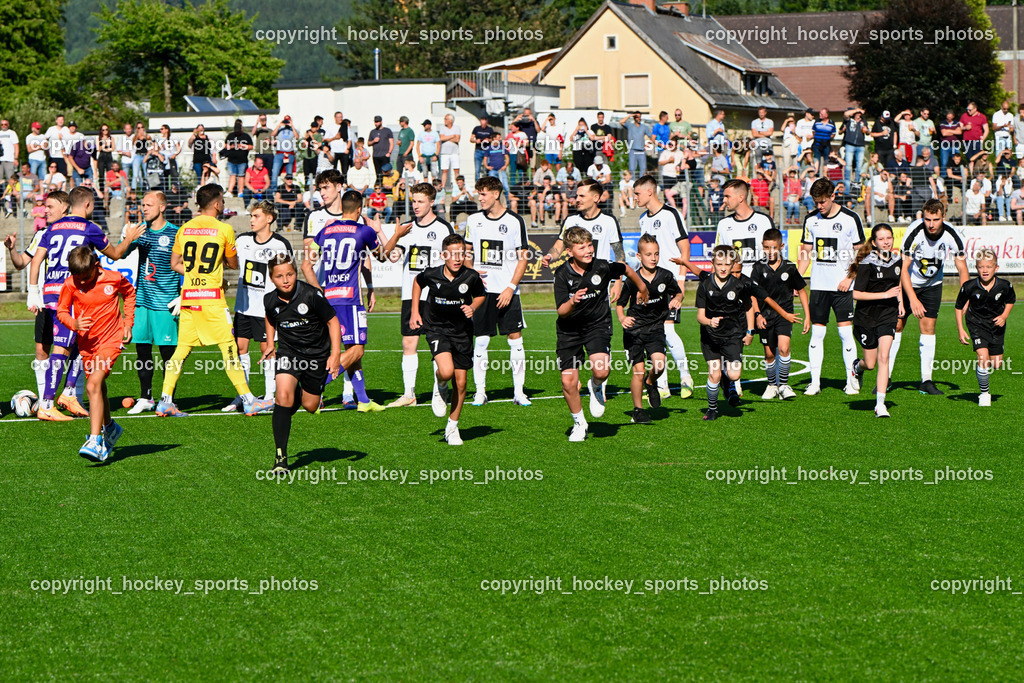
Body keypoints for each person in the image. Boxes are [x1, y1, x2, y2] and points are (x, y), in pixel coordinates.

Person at [155, 184, 275, 418]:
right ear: (217, 203)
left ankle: (165, 400)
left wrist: (194, 275)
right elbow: (233, 264)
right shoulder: (224, 229)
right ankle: (249, 400)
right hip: (211, 299)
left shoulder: (184, 229)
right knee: (229, 348)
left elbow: (174, 264)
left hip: (189, 298)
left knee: (181, 351)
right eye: (222, 200)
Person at [28, 187, 141, 421]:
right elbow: (117, 254)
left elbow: (37, 260)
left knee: (84, 337)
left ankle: (69, 393)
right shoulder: (90, 229)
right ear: (88, 205)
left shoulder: (52, 227)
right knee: (61, 348)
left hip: (50, 291)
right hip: (71, 290)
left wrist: (33, 292)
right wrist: (128, 238)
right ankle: (47, 404)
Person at [554, 226, 648, 440]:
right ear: (569, 252)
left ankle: (595, 386)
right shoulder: (561, 274)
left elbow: (626, 269)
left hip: (597, 325)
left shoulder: (602, 266)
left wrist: (642, 288)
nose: (588, 250)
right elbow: (561, 310)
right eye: (581, 247)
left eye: (590, 245)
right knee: (568, 381)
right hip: (569, 329)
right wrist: (572, 301)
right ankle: (579, 423)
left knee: (602, 372)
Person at [301, 189, 388, 412]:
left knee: (350, 350)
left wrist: (319, 291)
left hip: (329, 299)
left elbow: (305, 266)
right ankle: (318, 383)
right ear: (359, 210)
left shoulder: (325, 230)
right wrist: (383, 232)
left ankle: (364, 401)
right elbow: (383, 256)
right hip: (350, 300)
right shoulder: (364, 231)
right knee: (357, 350)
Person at [261, 254, 342, 474]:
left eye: (290, 274)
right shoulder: (269, 299)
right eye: (279, 276)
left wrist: (335, 355)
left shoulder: (311, 295)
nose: (285, 280)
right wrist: (270, 342)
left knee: (310, 405)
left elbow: (333, 322)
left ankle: (301, 394)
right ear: (271, 278)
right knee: (282, 396)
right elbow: (270, 317)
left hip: (317, 355)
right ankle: (280, 458)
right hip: (289, 352)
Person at [379, 181, 456, 409]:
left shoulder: (443, 228)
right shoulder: (405, 228)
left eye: (420, 201)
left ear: (432, 202)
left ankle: (440, 388)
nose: (416, 205)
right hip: (410, 295)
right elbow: (388, 256)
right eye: (413, 201)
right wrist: (387, 234)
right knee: (408, 342)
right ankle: (409, 394)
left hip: (436, 297)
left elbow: (452, 260)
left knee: (438, 345)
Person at [56, 246, 136, 461]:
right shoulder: (70, 283)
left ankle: (95, 439)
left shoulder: (113, 278)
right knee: (98, 386)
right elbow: (61, 311)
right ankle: (110, 427)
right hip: (87, 343)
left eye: (85, 276)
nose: (81, 281)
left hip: (111, 340)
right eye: (77, 277)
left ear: (95, 265)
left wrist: (128, 323)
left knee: (92, 385)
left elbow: (129, 293)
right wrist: (74, 323)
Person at [408, 234, 486, 445]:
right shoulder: (432, 274)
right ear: (443, 255)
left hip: (462, 333)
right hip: (436, 330)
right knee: (446, 371)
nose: (457, 258)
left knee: (461, 384)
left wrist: (472, 307)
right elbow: (417, 283)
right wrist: (415, 312)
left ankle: (452, 428)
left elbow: (480, 295)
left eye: (461, 253)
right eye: (452, 254)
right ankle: (440, 384)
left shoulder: (471, 276)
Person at [465, 175, 530, 407]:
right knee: (481, 340)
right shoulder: (473, 220)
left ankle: (519, 392)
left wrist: (510, 288)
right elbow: (467, 253)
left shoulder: (515, 221)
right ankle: (480, 392)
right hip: (483, 293)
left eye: (483, 194)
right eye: (478, 193)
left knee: (515, 338)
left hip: (507, 292)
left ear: (496, 193)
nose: (479, 198)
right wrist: (472, 274)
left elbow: (524, 257)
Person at [893, 199, 969, 394]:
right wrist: (913, 299)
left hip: (932, 286)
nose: (931, 224)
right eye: (928, 219)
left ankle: (926, 381)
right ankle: (886, 378)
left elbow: (962, 268)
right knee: (897, 325)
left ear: (943, 217)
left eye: (936, 219)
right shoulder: (913, 232)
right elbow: (903, 270)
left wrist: (966, 297)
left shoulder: (952, 234)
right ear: (922, 216)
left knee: (928, 328)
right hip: (907, 284)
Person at [635, 174, 701, 398]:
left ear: (649, 192)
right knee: (654, 333)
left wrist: (680, 284)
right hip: (650, 285)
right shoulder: (643, 218)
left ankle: (685, 376)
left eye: (637, 193)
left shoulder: (671, 214)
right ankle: (661, 386)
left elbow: (685, 250)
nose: (634, 198)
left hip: (670, 283)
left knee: (668, 330)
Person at [798, 177, 865, 396]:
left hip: (842, 287)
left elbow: (862, 252)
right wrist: (797, 278)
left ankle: (851, 380)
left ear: (833, 196)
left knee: (846, 334)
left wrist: (850, 278)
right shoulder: (811, 219)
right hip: (819, 286)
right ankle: (815, 383)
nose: (819, 206)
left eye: (822, 202)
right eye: (816, 202)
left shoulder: (850, 218)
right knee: (817, 334)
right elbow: (805, 252)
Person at [223, 200, 293, 413]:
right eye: (251, 216)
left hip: (267, 310)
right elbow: (228, 261)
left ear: (269, 219)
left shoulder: (280, 244)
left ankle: (270, 396)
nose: (251, 220)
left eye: (256, 216)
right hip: (243, 307)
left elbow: (288, 274)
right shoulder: (242, 240)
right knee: (239, 349)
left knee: (268, 350)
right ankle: (243, 396)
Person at [122, 191, 180, 413]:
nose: (144, 208)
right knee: (142, 351)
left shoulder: (176, 233)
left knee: (168, 354)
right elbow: (120, 254)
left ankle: (168, 398)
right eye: (142, 205)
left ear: (162, 207)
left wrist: (183, 293)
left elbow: (186, 263)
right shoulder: (139, 231)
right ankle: (145, 397)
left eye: (149, 204)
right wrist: (130, 238)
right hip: (143, 301)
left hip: (166, 303)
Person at [616, 234, 683, 423]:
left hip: (655, 328)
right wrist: (622, 318)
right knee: (638, 370)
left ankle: (650, 382)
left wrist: (678, 298)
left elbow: (677, 292)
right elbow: (620, 304)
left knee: (659, 365)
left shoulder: (665, 275)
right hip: (634, 330)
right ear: (639, 256)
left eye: (656, 254)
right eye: (648, 254)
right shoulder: (632, 279)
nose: (653, 258)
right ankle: (638, 410)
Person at [848, 224, 903, 417]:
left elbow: (899, 284)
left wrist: (900, 302)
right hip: (866, 317)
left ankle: (880, 404)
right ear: (874, 242)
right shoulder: (866, 263)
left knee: (884, 357)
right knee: (870, 364)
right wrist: (884, 294)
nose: (886, 241)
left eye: (889, 237)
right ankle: (857, 367)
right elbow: (856, 294)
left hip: (888, 315)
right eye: (881, 239)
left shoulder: (897, 260)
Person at [695, 245, 754, 420]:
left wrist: (750, 331)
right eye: (719, 263)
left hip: (732, 336)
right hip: (710, 337)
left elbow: (749, 308)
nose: (722, 268)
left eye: (727, 264)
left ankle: (726, 381)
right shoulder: (704, 286)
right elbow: (700, 316)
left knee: (734, 374)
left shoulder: (739, 285)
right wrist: (709, 321)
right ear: (712, 263)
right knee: (714, 374)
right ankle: (712, 409)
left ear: (732, 264)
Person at [751, 228, 809, 400]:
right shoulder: (758, 267)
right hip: (765, 317)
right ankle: (771, 385)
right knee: (769, 354)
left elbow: (802, 290)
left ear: (781, 246)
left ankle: (783, 385)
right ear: (762, 246)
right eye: (767, 248)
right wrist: (757, 315)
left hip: (786, 315)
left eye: (774, 248)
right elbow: (753, 294)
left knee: (784, 348)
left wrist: (807, 316)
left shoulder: (790, 267)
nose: (770, 252)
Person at [955, 249, 1015, 407]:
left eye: (989, 266)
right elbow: (958, 307)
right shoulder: (969, 286)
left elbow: (1010, 300)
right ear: (976, 268)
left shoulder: (1004, 285)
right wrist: (961, 329)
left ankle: (983, 368)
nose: (985, 270)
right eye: (981, 267)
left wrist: (1004, 316)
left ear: (996, 268)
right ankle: (984, 393)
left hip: (996, 326)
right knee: (983, 358)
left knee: (996, 364)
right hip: (976, 324)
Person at [544, 177, 623, 292]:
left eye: (582, 196)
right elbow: (559, 245)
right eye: (577, 196)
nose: (577, 199)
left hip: (599, 285)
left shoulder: (609, 220)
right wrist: (549, 256)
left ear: (596, 197)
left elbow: (619, 255)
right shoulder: (571, 220)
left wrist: (618, 283)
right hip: (575, 284)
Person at [714, 178, 776, 276]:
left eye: (727, 196)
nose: (724, 200)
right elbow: (717, 259)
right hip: (735, 286)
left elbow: (775, 255)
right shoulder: (723, 224)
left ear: (740, 198)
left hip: (761, 285)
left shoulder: (764, 221)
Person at [223, 120, 253, 198]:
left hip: (242, 161)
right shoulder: (230, 135)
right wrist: (232, 146)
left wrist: (242, 146)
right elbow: (225, 145)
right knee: (232, 175)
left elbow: (251, 147)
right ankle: (230, 191)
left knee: (241, 176)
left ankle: (240, 192)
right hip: (231, 160)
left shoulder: (246, 136)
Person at [438, 113, 461, 193]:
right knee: (444, 170)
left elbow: (457, 139)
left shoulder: (457, 128)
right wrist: (452, 136)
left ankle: (458, 186)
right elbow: (441, 138)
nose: (444, 121)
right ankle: (443, 187)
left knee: (456, 170)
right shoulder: (442, 128)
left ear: (450, 120)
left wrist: (446, 138)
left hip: (454, 152)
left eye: (446, 119)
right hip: (445, 153)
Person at [367, 116, 395, 183]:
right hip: (376, 156)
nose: (376, 123)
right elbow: (368, 143)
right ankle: (379, 188)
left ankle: (386, 187)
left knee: (386, 173)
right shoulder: (372, 132)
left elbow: (392, 143)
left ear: (381, 122)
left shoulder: (387, 131)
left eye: (377, 122)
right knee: (378, 174)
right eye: (375, 122)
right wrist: (374, 141)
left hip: (384, 156)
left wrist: (389, 153)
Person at [470, 116, 495, 180]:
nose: (483, 125)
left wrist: (488, 140)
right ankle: (477, 184)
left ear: (486, 123)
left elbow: (494, 140)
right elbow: (471, 139)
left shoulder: (490, 130)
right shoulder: (476, 129)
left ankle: (488, 183)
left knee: (488, 168)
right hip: (478, 150)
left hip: (487, 151)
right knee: (477, 169)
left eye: (484, 124)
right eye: (481, 124)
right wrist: (476, 140)